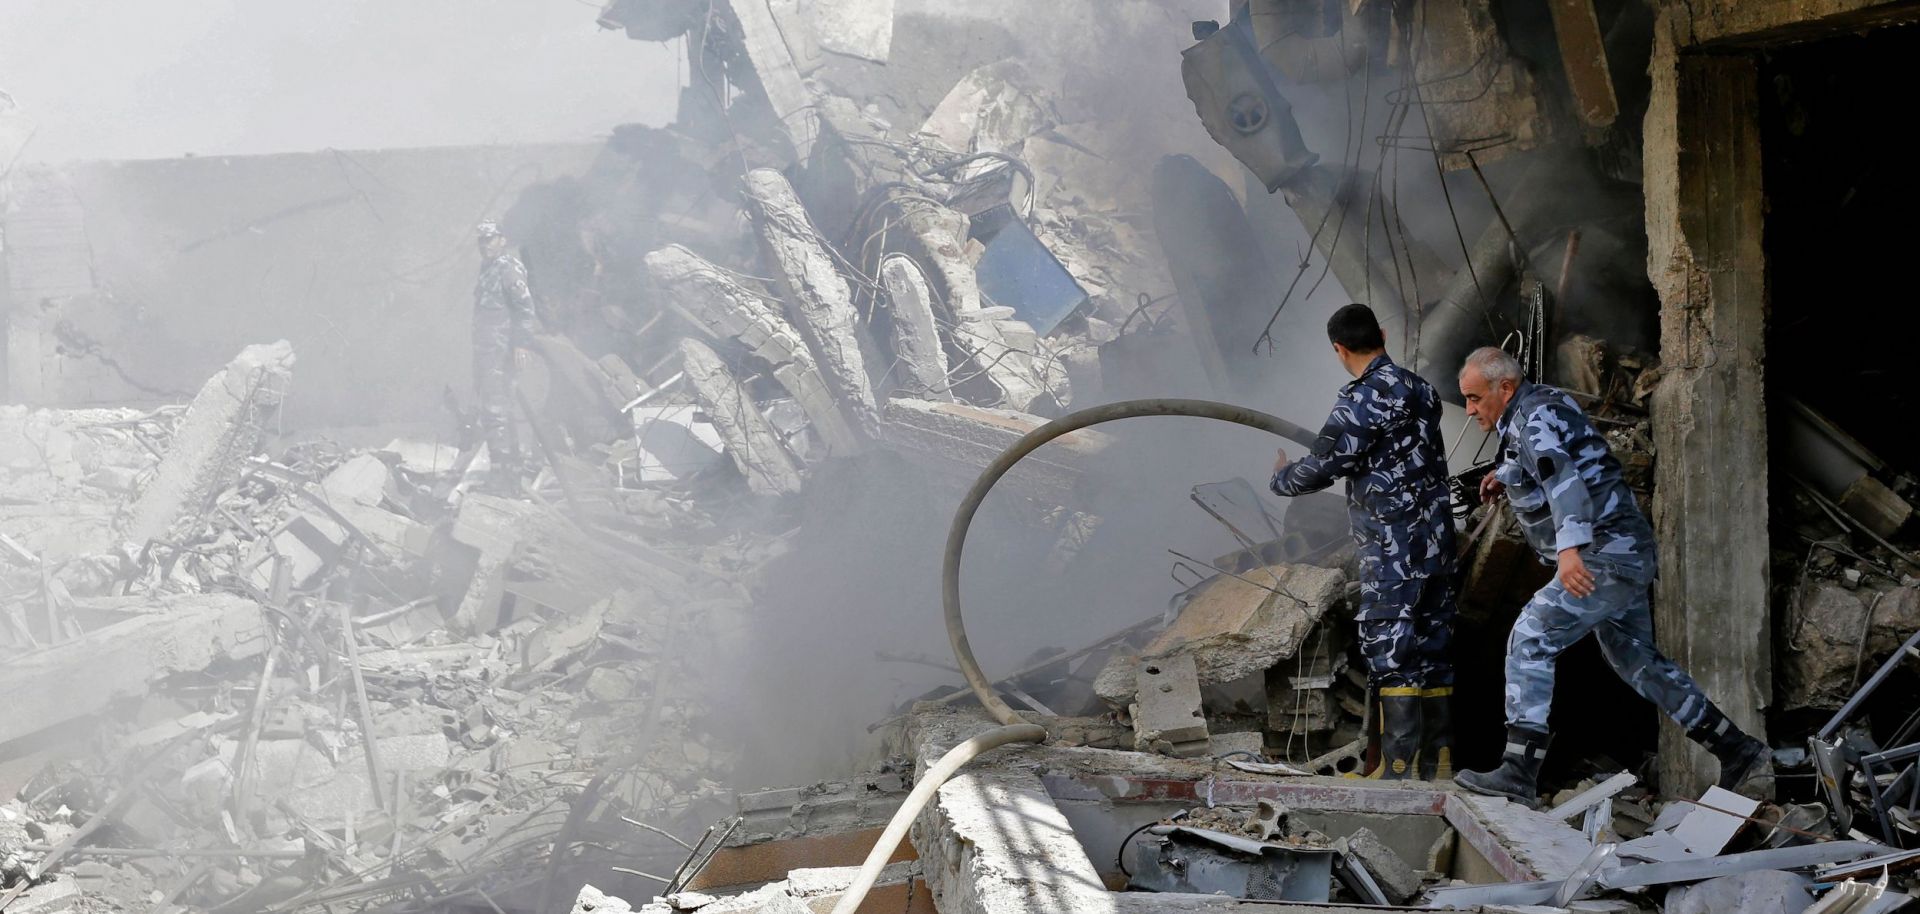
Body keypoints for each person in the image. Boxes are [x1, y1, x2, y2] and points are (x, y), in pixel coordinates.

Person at [1453, 346, 1768, 806]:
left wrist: (1570, 551)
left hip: (1603, 555)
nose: (1469, 408)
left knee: (1531, 635)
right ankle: (1738, 750)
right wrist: (1506, 474)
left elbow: (1565, 480)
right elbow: (1564, 456)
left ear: (1505, 387)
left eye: (1475, 398)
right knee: (1636, 660)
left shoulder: (1530, 419)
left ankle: (1519, 771)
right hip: (1625, 551)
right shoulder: (1541, 405)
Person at [1270, 304, 1457, 779]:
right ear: (1384, 334)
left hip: (1394, 548)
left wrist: (1281, 478)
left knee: (1390, 650)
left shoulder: (1362, 397)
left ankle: (1395, 772)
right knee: (1432, 650)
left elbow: (1322, 467)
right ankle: (1438, 767)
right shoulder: (1421, 389)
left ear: (1339, 348)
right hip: (1436, 543)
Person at [472, 221, 541, 494]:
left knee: (497, 411)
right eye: (481, 241)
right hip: (486, 351)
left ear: (502, 239)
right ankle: (505, 471)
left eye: (489, 239)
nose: (485, 245)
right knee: (492, 410)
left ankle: (505, 475)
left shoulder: (508, 268)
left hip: (502, 353)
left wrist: (521, 344)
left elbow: (525, 309)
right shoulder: (487, 270)